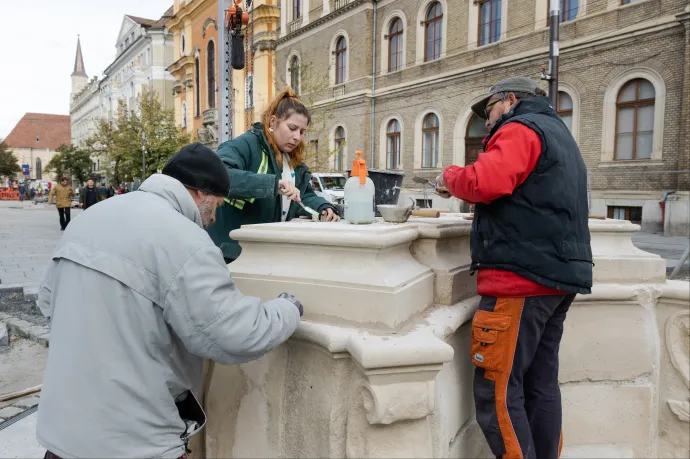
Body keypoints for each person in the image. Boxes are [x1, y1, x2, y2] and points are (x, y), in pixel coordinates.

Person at [36, 143, 303, 458]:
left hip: (62, 433)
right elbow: (233, 334)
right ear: (201, 194)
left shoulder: (88, 219)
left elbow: (47, 302)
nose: (213, 218)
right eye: (216, 205)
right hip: (132, 442)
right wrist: (286, 310)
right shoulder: (185, 241)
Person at [434, 77, 593, 459]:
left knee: (497, 388)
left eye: (488, 111)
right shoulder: (559, 133)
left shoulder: (520, 127)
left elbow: (486, 180)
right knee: (540, 385)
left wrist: (449, 177)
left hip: (520, 278)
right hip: (558, 277)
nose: (487, 122)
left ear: (508, 100)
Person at [208, 88, 340, 263]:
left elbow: (304, 195)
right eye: (292, 128)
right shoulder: (246, 144)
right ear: (273, 122)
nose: (297, 137)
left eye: (302, 132)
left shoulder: (294, 162)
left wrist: (324, 207)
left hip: (265, 253)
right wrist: (273, 184)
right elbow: (218, 175)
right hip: (230, 254)